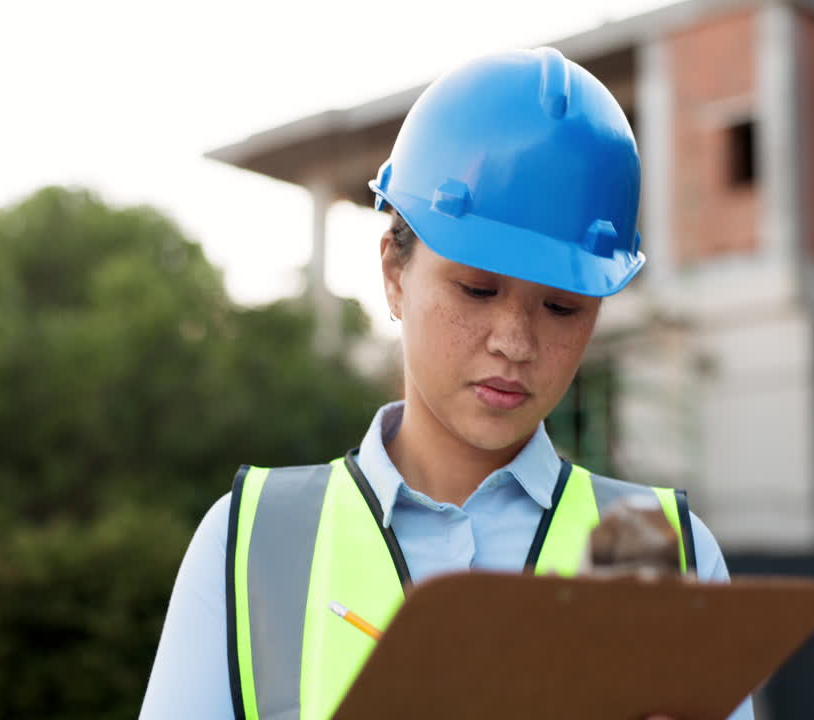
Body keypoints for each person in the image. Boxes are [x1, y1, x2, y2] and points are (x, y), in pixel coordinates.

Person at [139, 47, 754, 720]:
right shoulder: (250, 543)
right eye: (477, 289)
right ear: (394, 273)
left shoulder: (669, 558)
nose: (515, 342)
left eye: (562, 308)